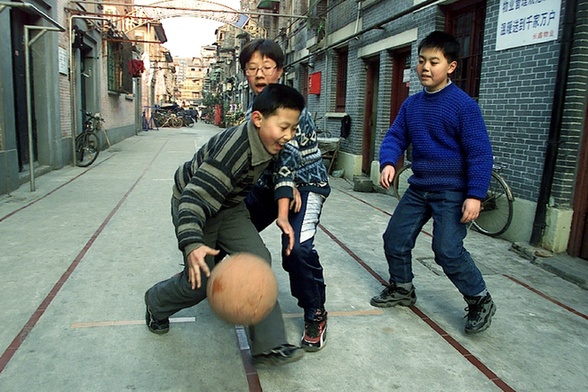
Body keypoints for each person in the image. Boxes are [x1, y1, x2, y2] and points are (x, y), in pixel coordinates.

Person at [144, 83, 307, 366]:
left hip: (229, 207)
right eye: (284, 127)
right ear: (258, 119)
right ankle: (155, 303)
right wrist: (193, 243)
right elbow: (194, 199)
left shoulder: (271, 140)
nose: (288, 136)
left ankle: (268, 345)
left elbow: (283, 166)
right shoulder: (233, 152)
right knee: (199, 283)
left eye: (292, 128)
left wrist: (283, 202)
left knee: (258, 261)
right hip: (197, 205)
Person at [371, 31, 497, 334]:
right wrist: (389, 161)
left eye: (434, 62)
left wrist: (475, 195)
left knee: (448, 250)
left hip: (452, 191)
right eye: (422, 60)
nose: (425, 67)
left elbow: (480, 153)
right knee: (395, 239)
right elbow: (396, 136)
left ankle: (480, 299)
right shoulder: (412, 105)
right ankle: (402, 287)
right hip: (419, 187)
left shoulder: (463, 106)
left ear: (451, 67)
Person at [239, 39, 331, 351]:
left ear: (279, 71)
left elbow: (287, 159)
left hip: (306, 185)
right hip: (270, 186)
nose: (259, 73)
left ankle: (315, 312)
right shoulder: (252, 110)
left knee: (297, 248)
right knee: (231, 228)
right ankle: (198, 281)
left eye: (266, 67)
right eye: (252, 68)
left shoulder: (294, 108)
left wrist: (286, 190)